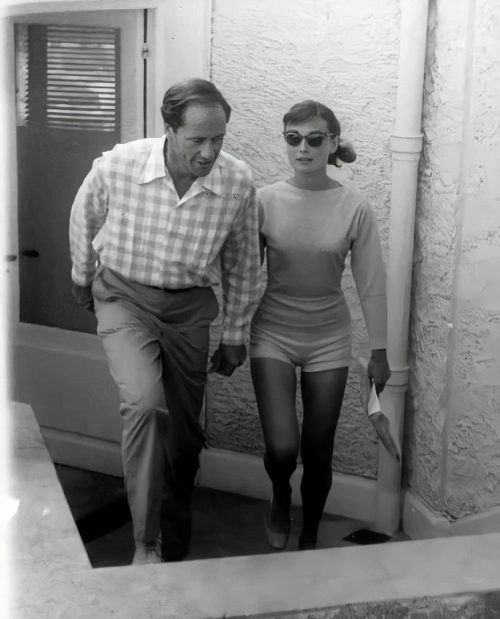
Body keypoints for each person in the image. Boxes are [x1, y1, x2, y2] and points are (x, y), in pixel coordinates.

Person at [69, 78, 261, 564]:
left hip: (190, 308)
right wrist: (82, 275)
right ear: (169, 129)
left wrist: (235, 333)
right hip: (125, 298)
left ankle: (176, 521)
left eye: (218, 139)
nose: (208, 152)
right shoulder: (121, 164)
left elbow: (242, 262)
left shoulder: (237, 182)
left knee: (184, 432)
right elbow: (84, 214)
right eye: (197, 139)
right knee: (144, 403)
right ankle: (146, 542)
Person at [250, 100, 391, 551]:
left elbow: (371, 283)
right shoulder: (264, 201)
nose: (303, 148)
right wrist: (230, 333)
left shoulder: (354, 206)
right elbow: (243, 274)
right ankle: (279, 494)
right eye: (294, 138)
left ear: (332, 144)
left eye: (314, 139)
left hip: (328, 337)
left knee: (317, 449)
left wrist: (380, 352)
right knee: (282, 449)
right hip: (272, 332)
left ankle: (308, 537)